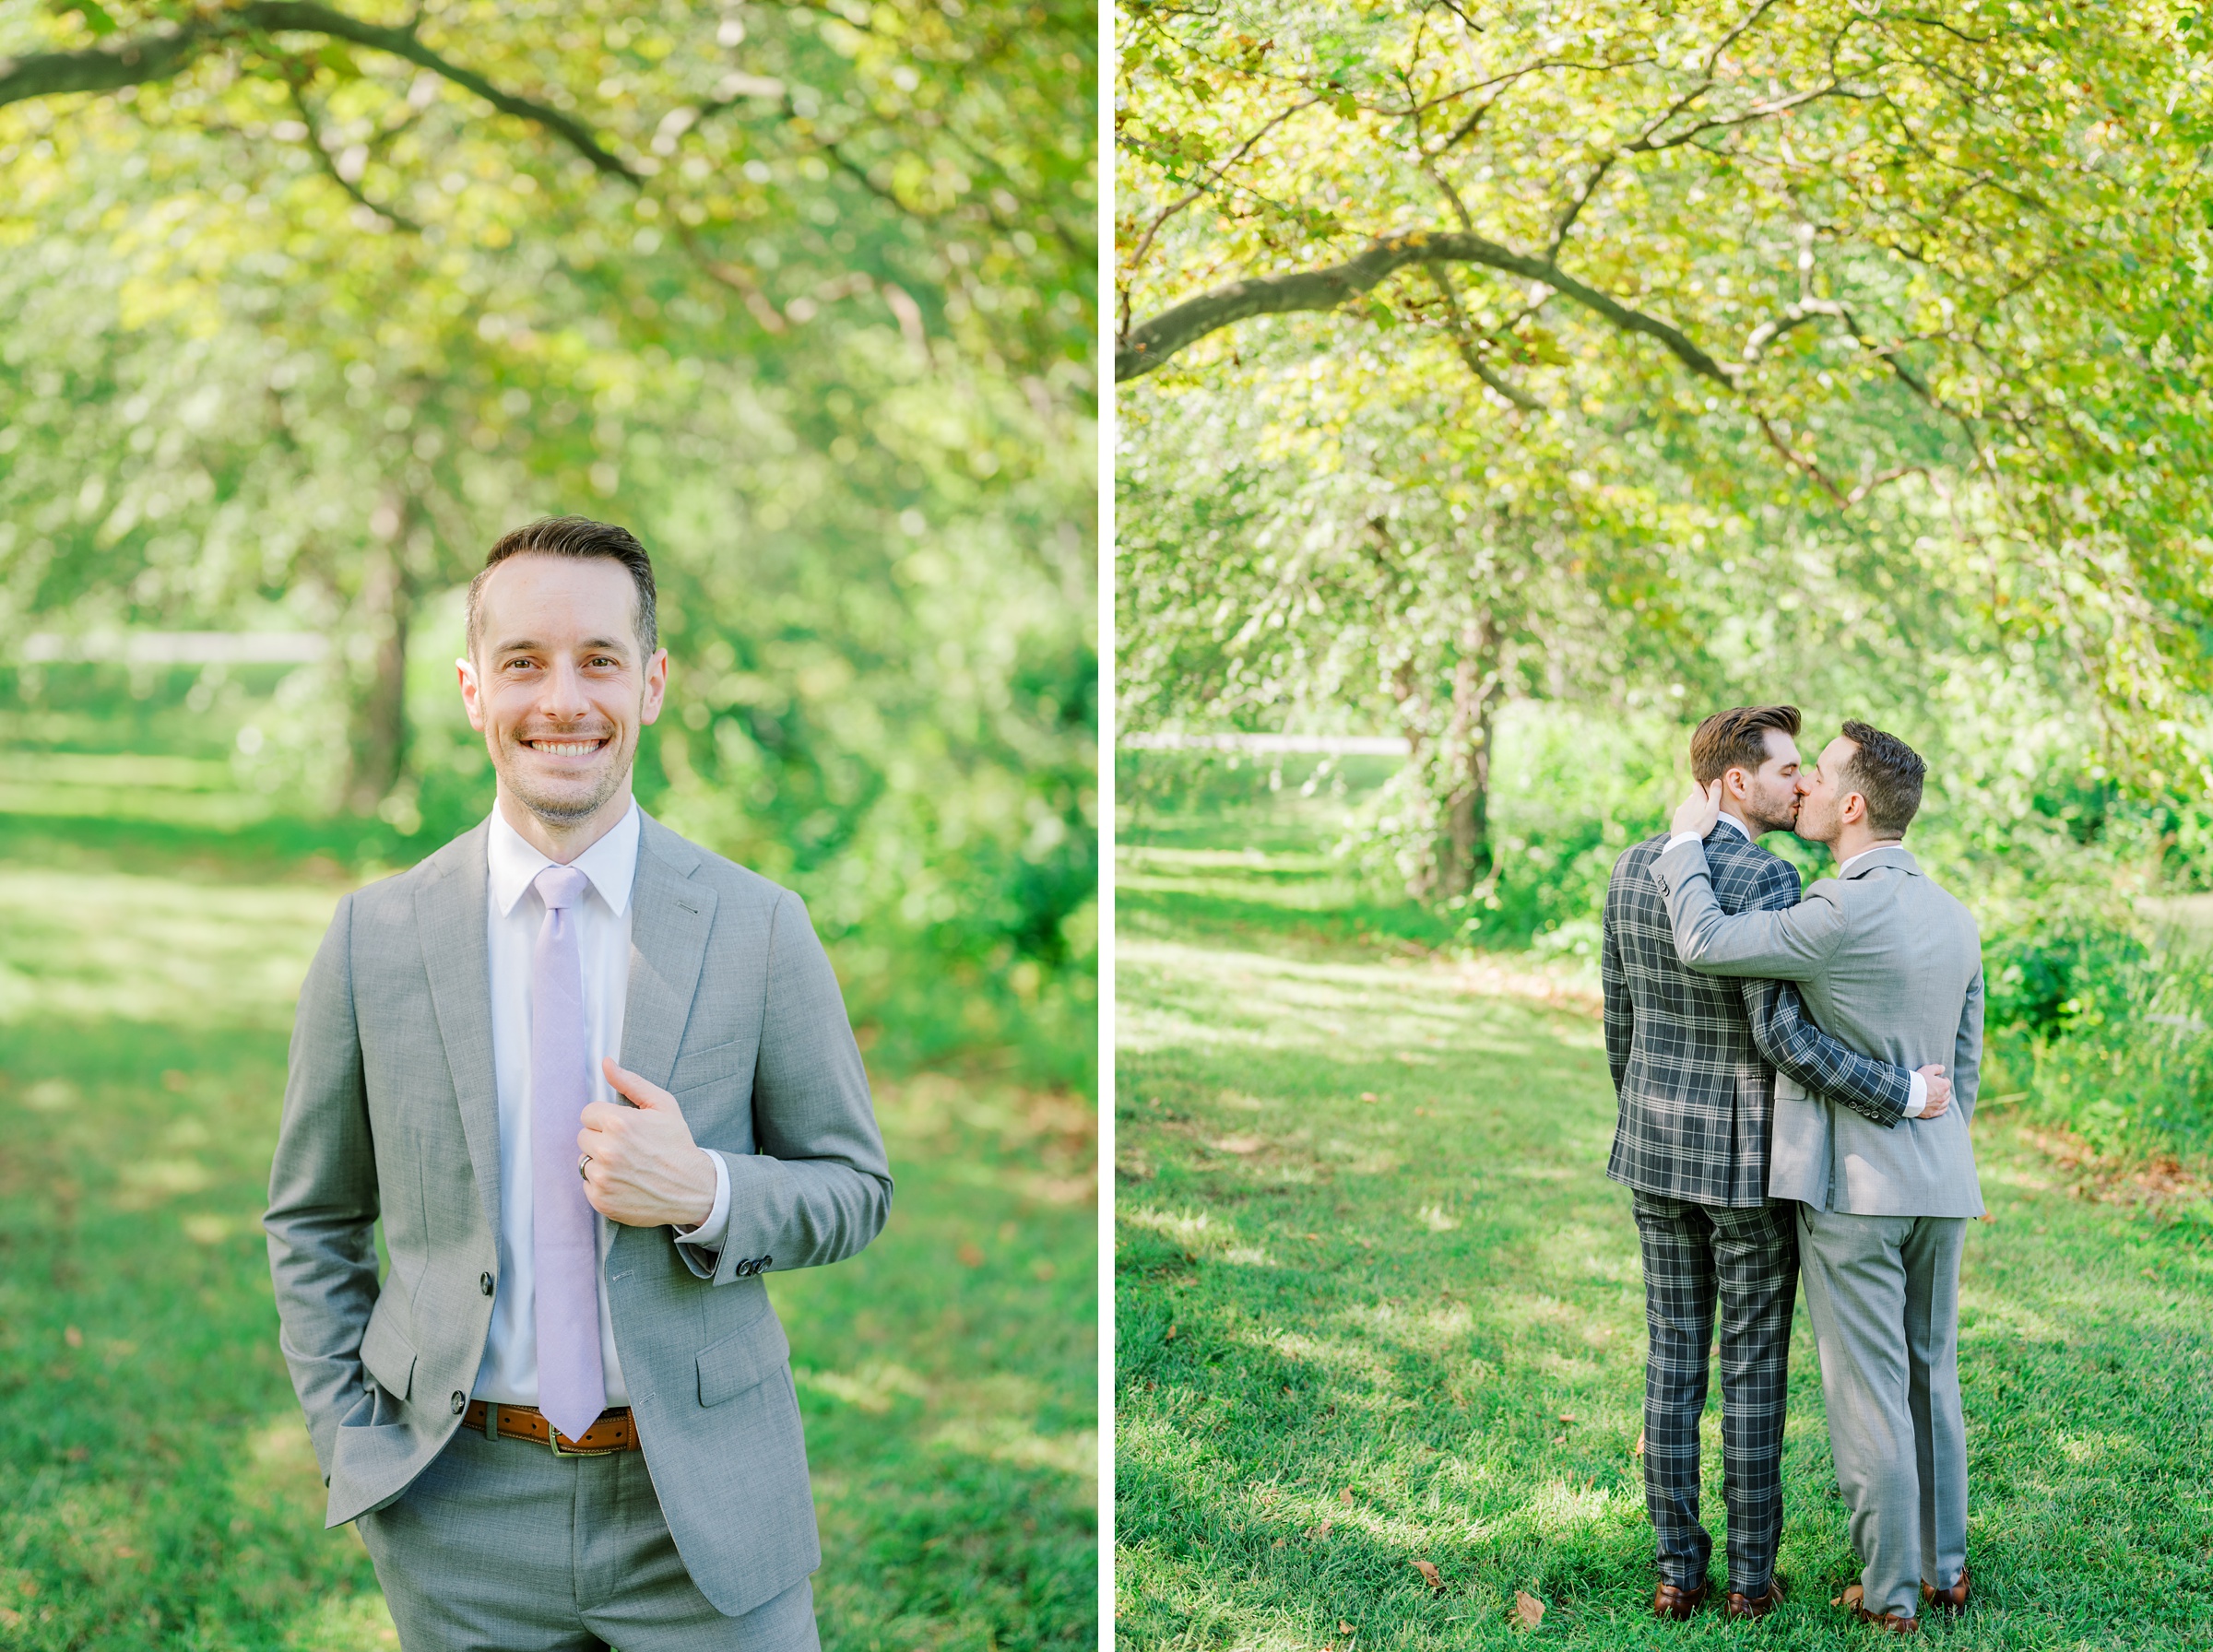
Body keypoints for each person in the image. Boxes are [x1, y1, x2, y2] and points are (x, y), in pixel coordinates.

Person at [265, 517, 892, 1651]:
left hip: (701, 1508)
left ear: (651, 683)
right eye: (524, 663)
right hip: (457, 1515)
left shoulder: (757, 928)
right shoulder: (375, 938)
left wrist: (705, 1189)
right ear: (471, 689)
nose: (564, 698)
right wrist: (354, 1441)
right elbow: (313, 1219)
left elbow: (854, 1186)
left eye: (599, 659)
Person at [1602, 704, 1948, 1623]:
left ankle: (1678, 1570)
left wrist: (1640, 1114)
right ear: (1731, 783)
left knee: (1672, 1360)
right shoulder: (1768, 876)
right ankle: (1750, 1582)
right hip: (1748, 1164)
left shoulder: (1633, 865)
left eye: (1807, 768)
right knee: (1752, 1369)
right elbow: (1783, 1034)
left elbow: (1618, 1018)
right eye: (1787, 768)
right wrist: (1900, 1090)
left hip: (1653, 1148)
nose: (1801, 783)